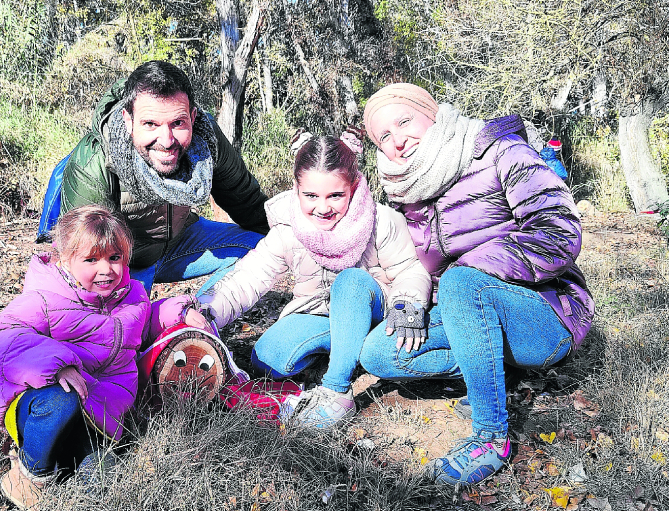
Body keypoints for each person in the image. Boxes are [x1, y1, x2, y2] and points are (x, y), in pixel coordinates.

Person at [358, 83, 594, 488]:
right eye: (384, 137)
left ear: (432, 113)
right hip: (466, 309)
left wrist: (468, 271)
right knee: (379, 353)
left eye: (404, 121)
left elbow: (559, 232)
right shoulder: (406, 190)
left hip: (545, 313)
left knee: (462, 282)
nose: (398, 140)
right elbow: (414, 267)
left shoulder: (500, 151)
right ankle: (491, 368)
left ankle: (491, 438)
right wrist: (407, 303)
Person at [184, 130, 432, 429]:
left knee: (351, 281)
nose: (323, 208)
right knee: (270, 359)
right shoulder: (288, 229)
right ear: (296, 189)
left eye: (335, 195)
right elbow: (249, 276)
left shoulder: (381, 220)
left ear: (353, 186)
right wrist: (207, 311)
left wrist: (407, 305)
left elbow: (409, 270)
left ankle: (337, 391)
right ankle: (348, 347)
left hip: (373, 309)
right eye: (311, 196)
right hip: (318, 314)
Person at [42, 60, 270, 291]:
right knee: (119, 305)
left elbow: (245, 200)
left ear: (192, 118)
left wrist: (283, 233)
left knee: (264, 247)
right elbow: (88, 256)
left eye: (178, 123)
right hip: (123, 261)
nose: (167, 141)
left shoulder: (207, 139)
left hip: (181, 239)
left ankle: (200, 310)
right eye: (150, 124)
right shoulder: (94, 159)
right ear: (128, 120)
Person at [0, 206, 151, 508]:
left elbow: (149, 322)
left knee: (102, 483)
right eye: (91, 260)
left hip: (98, 413)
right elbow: (2, 336)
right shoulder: (45, 297)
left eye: (114, 257)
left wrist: (181, 311)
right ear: (65, 259)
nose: (106, 269)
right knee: (62, 401)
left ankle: (71, 459)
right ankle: (30, 475)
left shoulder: (134, 296)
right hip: (42, 403)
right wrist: (57, 365)